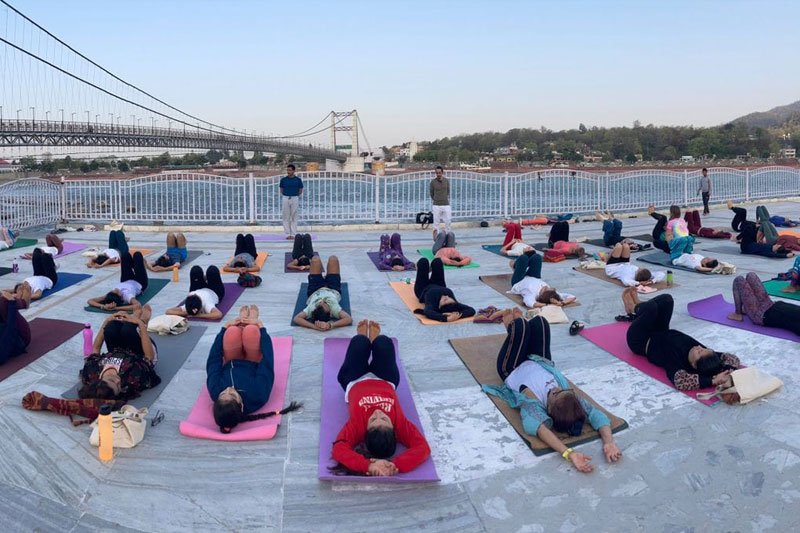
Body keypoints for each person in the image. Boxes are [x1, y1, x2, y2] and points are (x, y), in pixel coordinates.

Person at [483, 312, 622, 473]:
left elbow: (539, 428)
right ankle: (518, 320)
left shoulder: (533, 403)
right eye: (562, 390)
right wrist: (609, 442)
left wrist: (569, 453)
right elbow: (599, 417)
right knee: (540, 322)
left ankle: (509, 321)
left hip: (513, 366)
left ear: (548, 409)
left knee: (520, 325)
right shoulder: (569, 400)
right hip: (538, 360)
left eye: (554, 394)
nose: (555, 389)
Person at [331, 320, 431, 476]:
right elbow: (422, 448)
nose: (377, 413)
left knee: (359, 342)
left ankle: (364, 338)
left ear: (365, 431)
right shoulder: (400, 425)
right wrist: (395, 464)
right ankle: (374, 341)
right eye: (384, 419)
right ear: (394, 431)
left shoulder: (357, 426)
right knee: (383, 342)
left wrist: (367, 466)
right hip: (385, 379)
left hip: (354, 379)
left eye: (372, 420)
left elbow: (339, 449)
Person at [206, 305, 301, 433]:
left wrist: (223, 329)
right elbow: (267, 361)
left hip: (232, 359)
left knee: (231, 332)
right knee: (251, 331)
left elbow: (213, 361)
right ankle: (250, 322)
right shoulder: (257, 394)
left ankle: (242, 321)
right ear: (241, 405)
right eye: (233, 394)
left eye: (223, 393)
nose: (228, 389)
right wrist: (261, 327)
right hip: (253, 361)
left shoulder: (214, 391)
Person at [623, 292, 741, 393]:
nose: (699, 347)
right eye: (704, 348)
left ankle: (633, 308)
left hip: (640, 340)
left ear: (694, 365)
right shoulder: (709, 358)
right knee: (667, 299)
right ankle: (639, 305)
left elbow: (680, 381)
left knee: (651, 308)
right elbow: (733, 358)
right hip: (660, 330)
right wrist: (727, 371)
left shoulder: (678, 362)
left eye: (699, 352)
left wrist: (712, 381)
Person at [78, 305, 160, 400]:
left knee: (110, 327)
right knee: (128, 330)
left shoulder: (92, 372)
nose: (118, 381)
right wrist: (141, 325)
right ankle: (142, 319)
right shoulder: (132, 378)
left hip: (118, 350)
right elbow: (149, 356)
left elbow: (96, 349)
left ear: (99, 379)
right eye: (118, 387)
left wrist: (106, 321)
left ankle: (130, 317)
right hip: (141, 352)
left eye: (112, 380)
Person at [728, 272, 800, 336]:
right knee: (751, 275)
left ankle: (738, 313)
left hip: (761, 314)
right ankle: (744, 309)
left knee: (739, 280)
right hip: (770, 304)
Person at [293, 256, 353, 331]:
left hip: (315, 288)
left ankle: (324, 276)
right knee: (333, 259)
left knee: (315, 259)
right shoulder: (334, 309)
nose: (322, 300)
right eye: (325, 303)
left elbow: (296, 318)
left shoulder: (311, 309)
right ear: (330, 312)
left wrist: (313, 326)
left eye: (319, 303)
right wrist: (331, 325)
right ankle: (328, 276)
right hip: (333, 288)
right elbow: (348, 319)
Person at [413, 257, 475, 322]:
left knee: (423, 261)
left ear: (439, 306)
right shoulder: (454, 304)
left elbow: (428, 312)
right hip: (439, 284)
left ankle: (424, 269)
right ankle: (431, 268)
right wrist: (457, 315)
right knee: (437, 261)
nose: (446, 296)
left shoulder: (432, 301)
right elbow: (471, 310)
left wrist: (445, 318)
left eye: (445, 300)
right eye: (450, 298)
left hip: (423, 288)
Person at [509, 253, 576, 308]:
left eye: (546, 289)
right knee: (537, 257)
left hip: (519, 280)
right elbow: (572, 297)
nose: (546, 286)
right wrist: (562, 302)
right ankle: (523, 266)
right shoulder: (553, 294)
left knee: (523, 258)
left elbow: (531, 303)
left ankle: (515, 267)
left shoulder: (531, 294)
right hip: (533, 277)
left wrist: (548, 305)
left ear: (542, 294)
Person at [0, 292, 31, 365]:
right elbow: (11, 329)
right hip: (20, 339)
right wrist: (11, 302)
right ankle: (23, 303)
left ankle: (18, 298)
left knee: (2, 302)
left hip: (6, 330)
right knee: (3, 302)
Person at [280, 164, 304, 240]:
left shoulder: (298, 180)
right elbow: (281, 189)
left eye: (290, 170)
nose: (288, 171)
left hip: (295, 198)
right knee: (285, 216)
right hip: (286, 198)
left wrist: (295, 195)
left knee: (294, 216)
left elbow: (300, 190)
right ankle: (287, 234)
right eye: (287, 170)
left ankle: (293, 234)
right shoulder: (283, 180)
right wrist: (286, 194)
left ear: (293, 171)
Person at [429, 165, 451, 233]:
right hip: (436, 205)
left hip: (446, 204)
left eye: (439, 172)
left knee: (448, 221)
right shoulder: (433, 182)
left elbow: (448, 191)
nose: (438, 174)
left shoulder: (446, 181)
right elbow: (431, 193)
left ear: (442, 172)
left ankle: (448, 235)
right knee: (436, 222)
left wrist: (444, 197)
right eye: (437, 173)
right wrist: (435, 199)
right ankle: (437, 237)